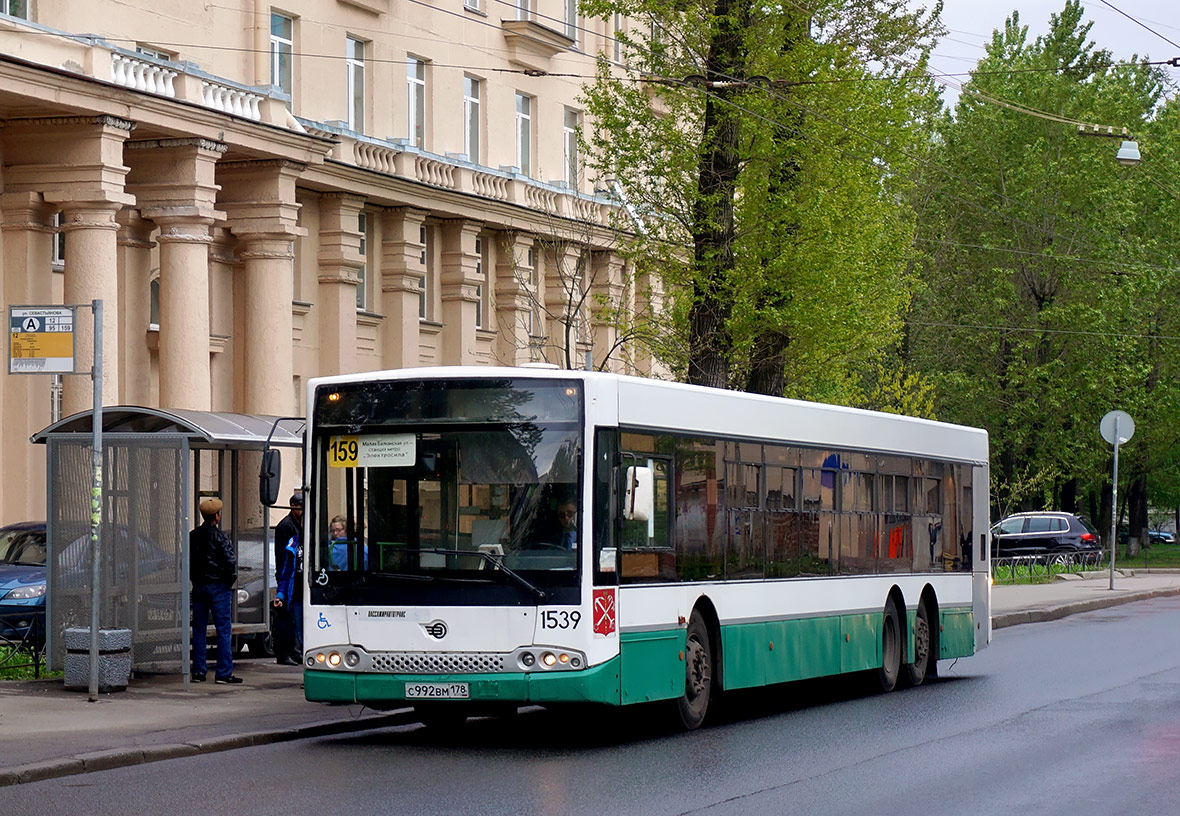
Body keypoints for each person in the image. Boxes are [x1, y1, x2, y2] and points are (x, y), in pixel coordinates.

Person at [190, 497, 242, 684]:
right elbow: (230, 564)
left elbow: (186, 562)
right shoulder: (221, 538)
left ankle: (198, 671)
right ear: (217, 516)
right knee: (223, 630)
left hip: (199, 587)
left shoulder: (193, 536)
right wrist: (226, 583)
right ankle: (223, 673)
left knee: (198, 629)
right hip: (219, 587)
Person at [272, 492, 303, 666]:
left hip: (293, 575)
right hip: (287, 574)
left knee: (293, 618)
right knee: (284, 617)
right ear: (293, 506)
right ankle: (283, 653)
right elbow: (285, 556)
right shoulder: (286, 526)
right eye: (299, 507)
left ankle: (292, 650)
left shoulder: (299, 523)